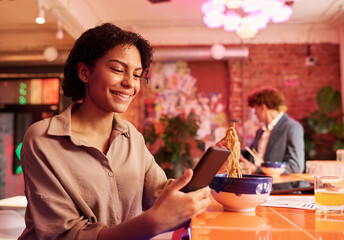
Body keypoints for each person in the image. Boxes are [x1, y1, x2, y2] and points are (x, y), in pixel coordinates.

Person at [18, 23, 211, 240]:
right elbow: (64, 235)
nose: (130, 83)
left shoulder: (132, 136)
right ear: (84, 72)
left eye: (137, 75)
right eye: (118, 70)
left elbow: (158, 192)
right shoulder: (43, 139)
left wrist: (201, 185)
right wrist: (151, 224)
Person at [240, 87, 305, 174]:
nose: (255, 113)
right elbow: (251, 155)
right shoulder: (261, 130)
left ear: (263, 107)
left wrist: (257, 169)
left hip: (282, 186)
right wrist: (233, 150)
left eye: (255, 109)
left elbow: (295, 166)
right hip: (260, 183)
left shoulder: (292, 127)